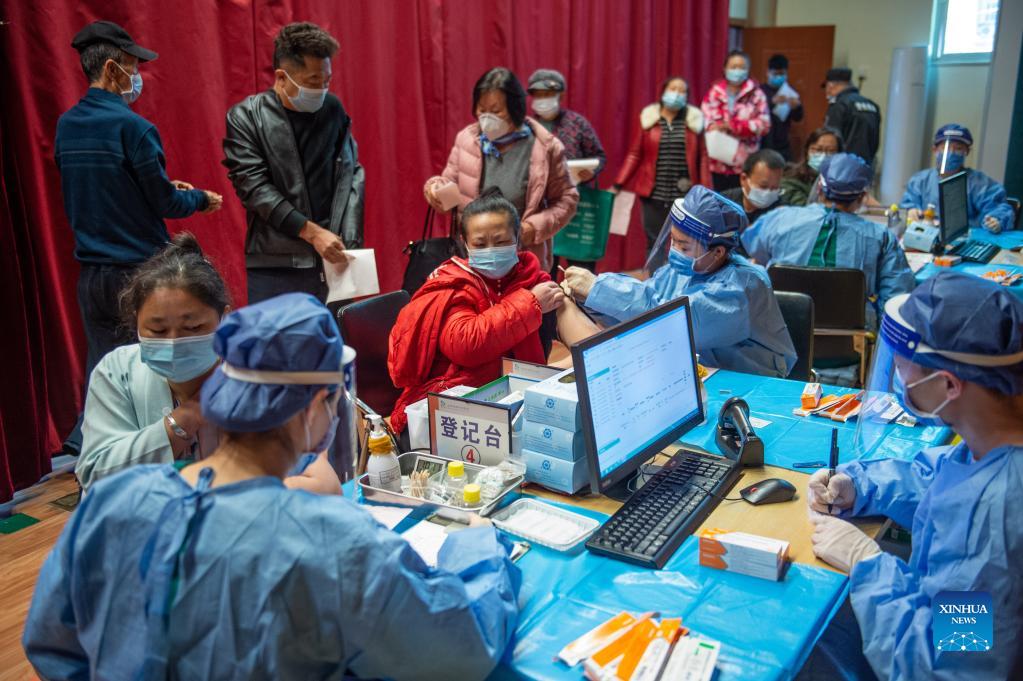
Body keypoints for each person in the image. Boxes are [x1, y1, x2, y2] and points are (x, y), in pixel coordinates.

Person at [24, 293, 521, 680]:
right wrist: (478, 546)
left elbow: (51, 646)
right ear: (314, 408)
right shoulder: (333, 542)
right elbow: (458, 652)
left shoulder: (116, 501)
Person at [802, 272, 1023, 680]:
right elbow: (940, 476)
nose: (899, 381)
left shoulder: (997, 516)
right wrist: (860, 485)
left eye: (903, 370)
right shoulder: (995, 433)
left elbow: (946, 663)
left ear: (948, 385)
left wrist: (868, 563)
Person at [58, 20, 222, 454]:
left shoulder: (67, 125)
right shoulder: (133, 128)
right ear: (112, 70)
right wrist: (199, 199)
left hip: (91, 275)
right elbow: (164, 202)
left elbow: (105, 189)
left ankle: (91, 453)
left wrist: (165, 188)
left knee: (104, 375)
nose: (137, 77)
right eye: (132, 67)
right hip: (139, 276)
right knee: (151, 385)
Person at [76, 234, 339, 495]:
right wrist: (188, 416)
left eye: (193, 327)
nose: (174, 342)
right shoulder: (117, 371)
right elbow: (96, 477)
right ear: (137, 322)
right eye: (157, 330)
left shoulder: (261, 373)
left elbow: (324, 485)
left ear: (224, 319)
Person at [562, 186, 796, 378]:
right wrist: (590, 301)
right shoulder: (681, 270)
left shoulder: (744, 286)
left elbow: (674, 318)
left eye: (684, 247)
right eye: (673, 241)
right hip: (697, 372)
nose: (675, 251)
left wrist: (599, 288)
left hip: (749, 381)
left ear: (718, 252)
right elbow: (640, 313)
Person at [389, 194, 566, 433]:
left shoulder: (532, 277)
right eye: (480, 244)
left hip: (510, 396)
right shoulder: (453, 283)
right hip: (454, 403)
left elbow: (573, 330)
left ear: (517, 238)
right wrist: (530, 303)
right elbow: (465, 344)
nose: (491, 251)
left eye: (501, 242)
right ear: (465, 242)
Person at [223, 22, 364, 303]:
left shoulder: (333, 109)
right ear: (281, 77)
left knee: (339, 333)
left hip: (332, 260)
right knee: (278, 334)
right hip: (275, 264)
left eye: (327, 81)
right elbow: (254, 188)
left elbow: (350, 174)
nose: (321, 89)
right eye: (313, 82)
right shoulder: (246, 117)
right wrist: (313, 234)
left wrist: (348, 242)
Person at [424, 67, 578, 273]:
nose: (487, 118)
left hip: (523, 259)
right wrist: (435, 189)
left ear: (515, 108)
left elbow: (567, 199)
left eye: (496, 111)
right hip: (471, 258)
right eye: (481, 110)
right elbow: (448, 186)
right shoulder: (467, 139)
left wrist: (533, 228)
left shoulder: (545, 147)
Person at [742, 153, 914, 332]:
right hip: (849, 343)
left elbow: (751, 250)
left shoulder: (779, 219)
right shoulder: (881, 237)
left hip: (780, 336)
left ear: (819, 188)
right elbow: (896, 301)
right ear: (862, 196)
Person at [614, 75, 709, 251]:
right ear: (663, 92)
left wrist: (706, 191)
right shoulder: (649, 119)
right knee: (654, 243)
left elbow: (702, 157)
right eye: (673, 89)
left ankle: (677, 270)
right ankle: (655, 270)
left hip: (684, 194)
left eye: (682, 91)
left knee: (683, 242)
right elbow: (635, 154)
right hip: (653, 194)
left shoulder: (694, 121)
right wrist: (618, 184)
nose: (677, 94)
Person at [527, 68, 608, 273]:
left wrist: (591, 171)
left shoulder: (577, 123)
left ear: (560, 96)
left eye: (548, 94)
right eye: (538, 95)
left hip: (575, 206)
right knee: (543, 272)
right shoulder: (527, 127)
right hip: (540, 209)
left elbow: (599, 156)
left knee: (580, 273)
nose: (542, 100)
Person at [900, 123, 1015, 233]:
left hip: (965, 239)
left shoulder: (979, 183)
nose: (951, 153)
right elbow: (908, 205)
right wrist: (910, 211)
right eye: (945, 148)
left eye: (958, 148)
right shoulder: (920, 181)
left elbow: (999, 208)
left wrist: (996, 219)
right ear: (935, 150)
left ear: (967, 152)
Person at [701, 51, 771, 191]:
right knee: (718, 199)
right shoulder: (715, 92)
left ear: (748, 69)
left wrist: (735, 126)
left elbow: (764, 124)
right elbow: (705, 118)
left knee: (740, 200)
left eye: (742, 67)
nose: (737, 71)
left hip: (745, 162)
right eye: (733, 67)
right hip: (717, 160)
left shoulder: (757, 94)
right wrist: (714, 126)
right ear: (725, 68)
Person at [823, 68, 881, 168]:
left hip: (844, 166)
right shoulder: (872, 105)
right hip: (867, 165)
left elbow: (830, 140)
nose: (826, 91)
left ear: (830, 85)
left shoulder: (839, 105)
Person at [721, 149, 787, 226]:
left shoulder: (780, 211)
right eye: (763, 186)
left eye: (775, 188)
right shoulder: (723, 203)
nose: (769, 192)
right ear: (744, 179)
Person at [781, 127, 843, 206]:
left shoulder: (845, 181)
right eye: (818, 150)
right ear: (807, 151)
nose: (823, 156)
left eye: (830, 151)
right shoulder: (791, 180)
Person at [760, 54, 804, 161]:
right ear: (768, 72)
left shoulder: (789, 91)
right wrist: (771, 103)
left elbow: (798, 118)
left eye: (782, 74)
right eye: (775, 74)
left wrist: (797, 107)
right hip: (762, 142)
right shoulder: (760, 91)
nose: (779, 77)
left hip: (782, 143)